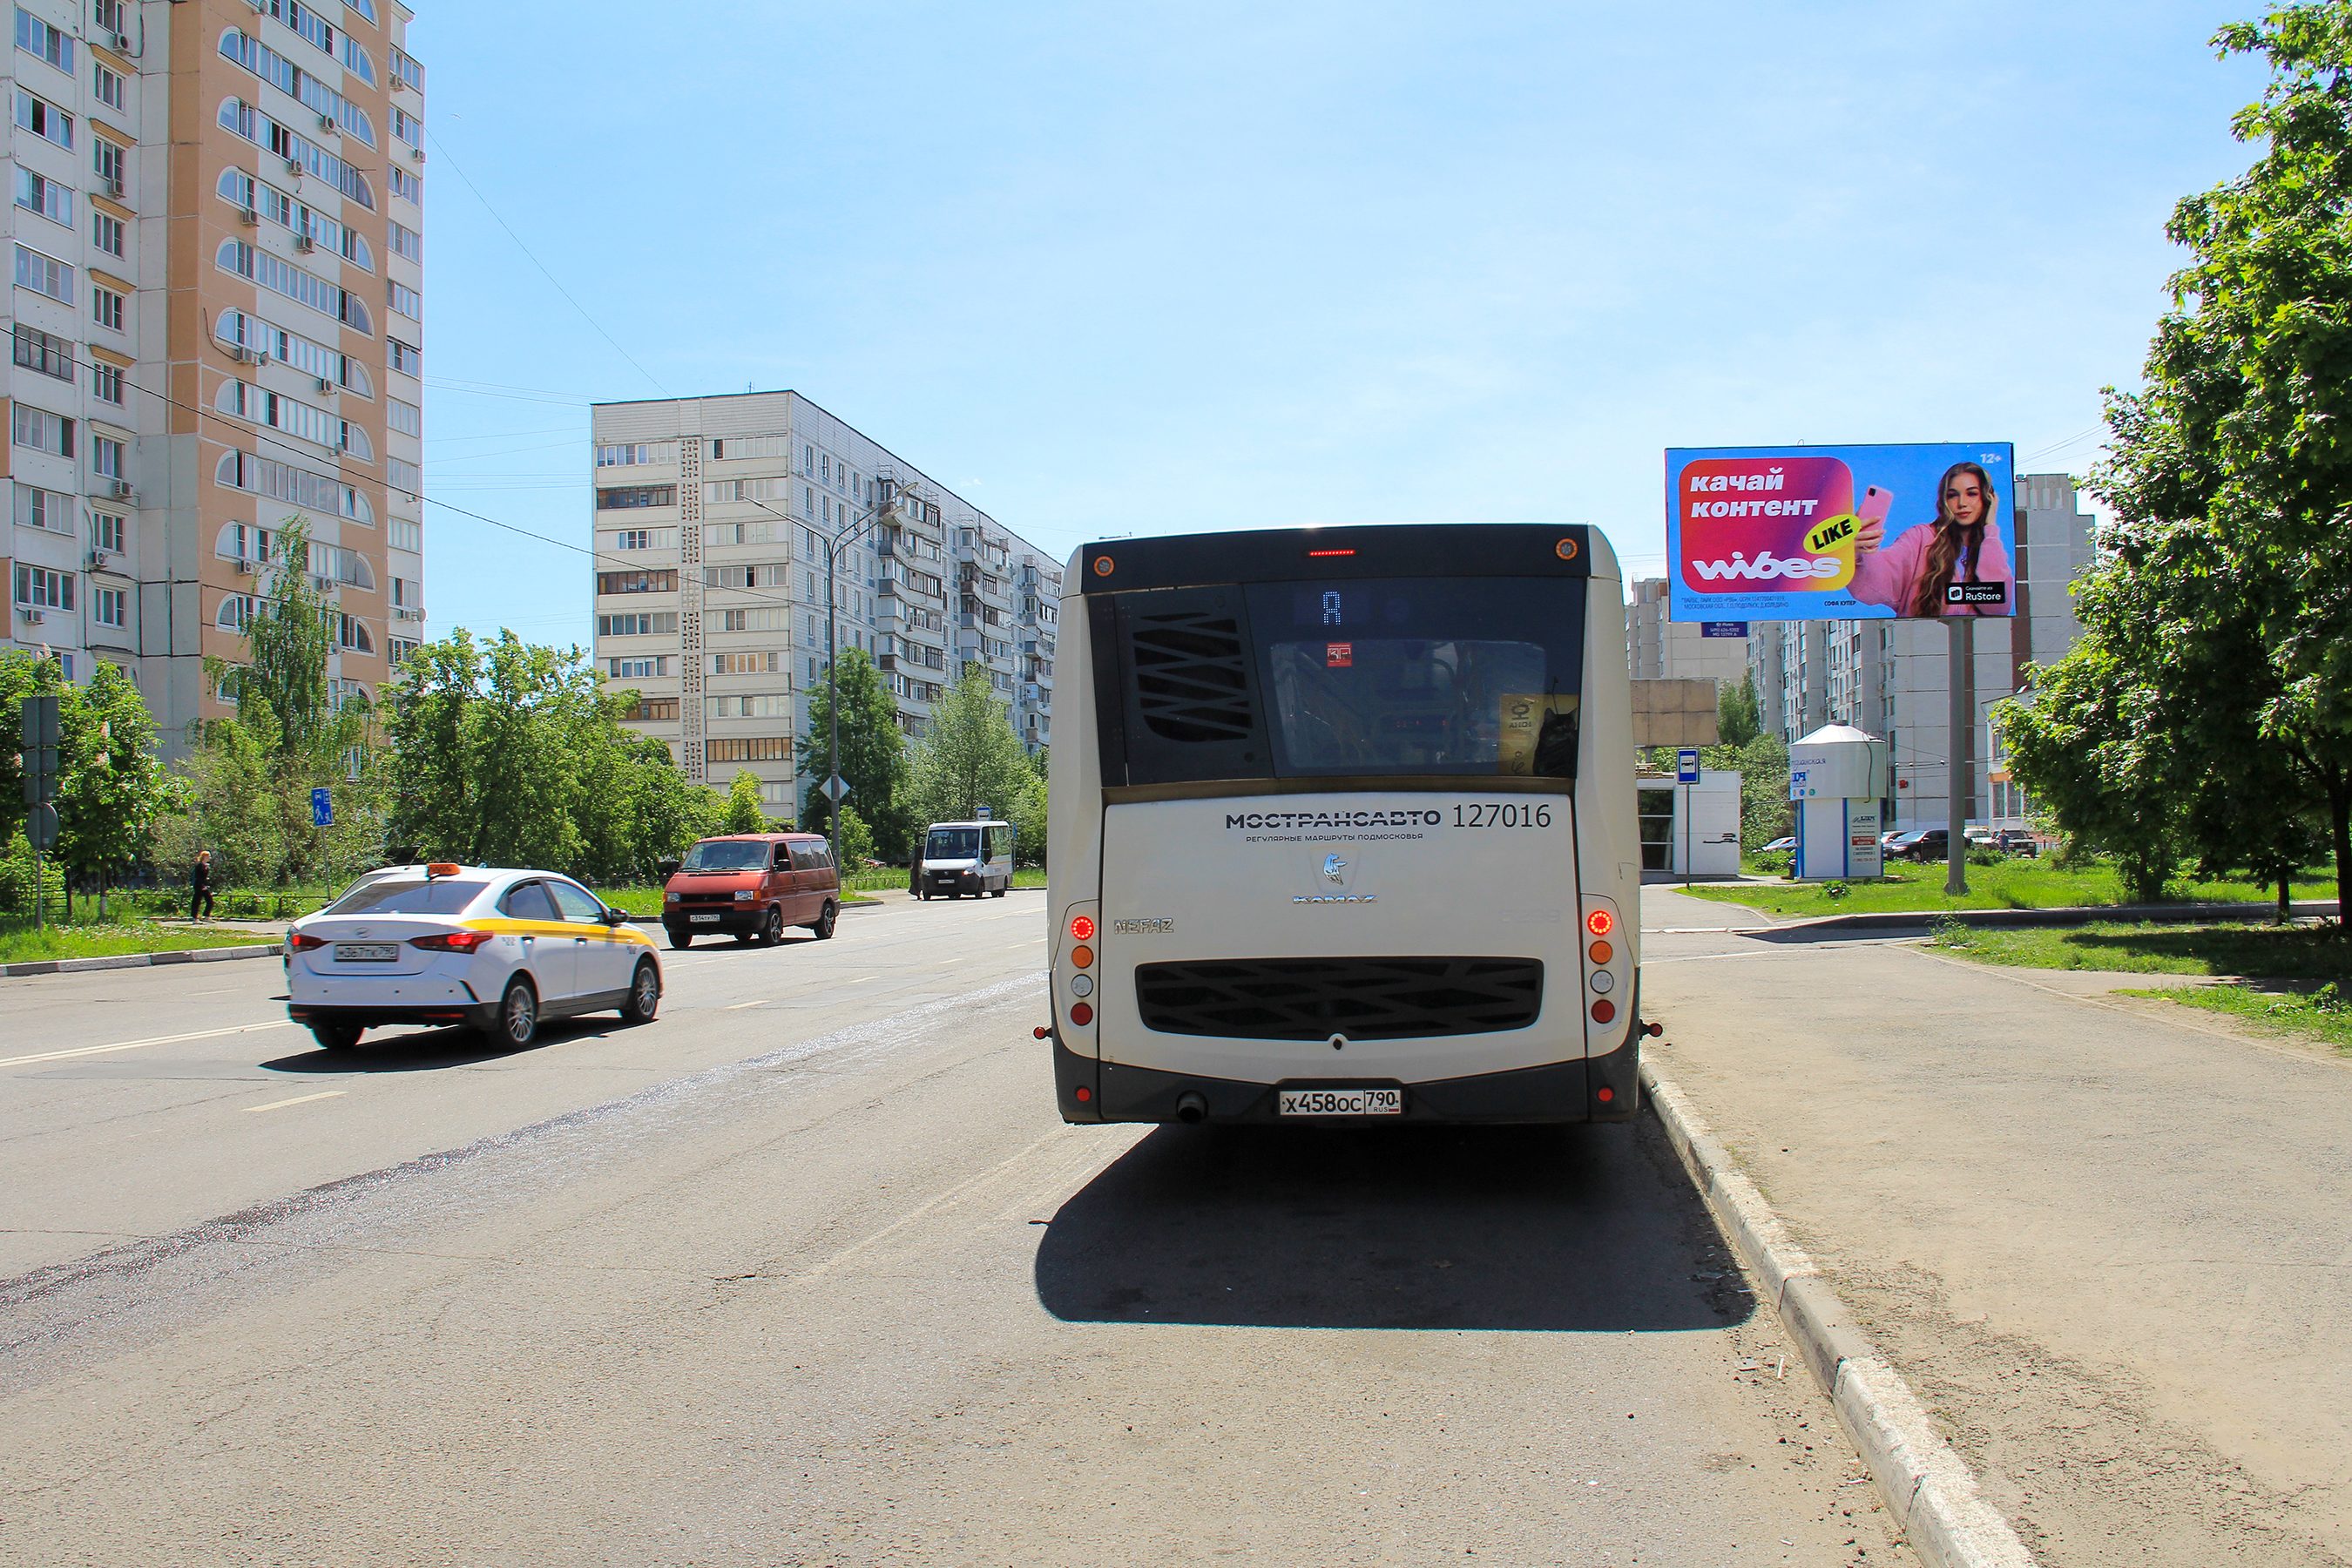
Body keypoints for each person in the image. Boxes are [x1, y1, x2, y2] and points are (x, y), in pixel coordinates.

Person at [1848, 461, 2011, 616]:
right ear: (1944, 500)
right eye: (1952, 495)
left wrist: (1991, 529)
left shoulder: (1991, 546)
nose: (1962, 503)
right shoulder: (1920, 537)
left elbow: (1997, 607)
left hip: (1979, 635)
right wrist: (1855, 554)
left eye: (1972, 494)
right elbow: (1874, 585)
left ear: (1987, 498)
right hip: (1918, 635)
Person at [189, 849, 214, 922]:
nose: (210, 858)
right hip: (198, 886)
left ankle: (206, 916)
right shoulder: (199, 866)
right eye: (208, 856)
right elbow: (198, 877)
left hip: (203, 885)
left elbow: (204, 877)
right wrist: (202, 885)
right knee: (197, 901)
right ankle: (195, 918)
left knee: (210, 901)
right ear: (204, 857)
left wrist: (206, 884)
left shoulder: (206, 866)